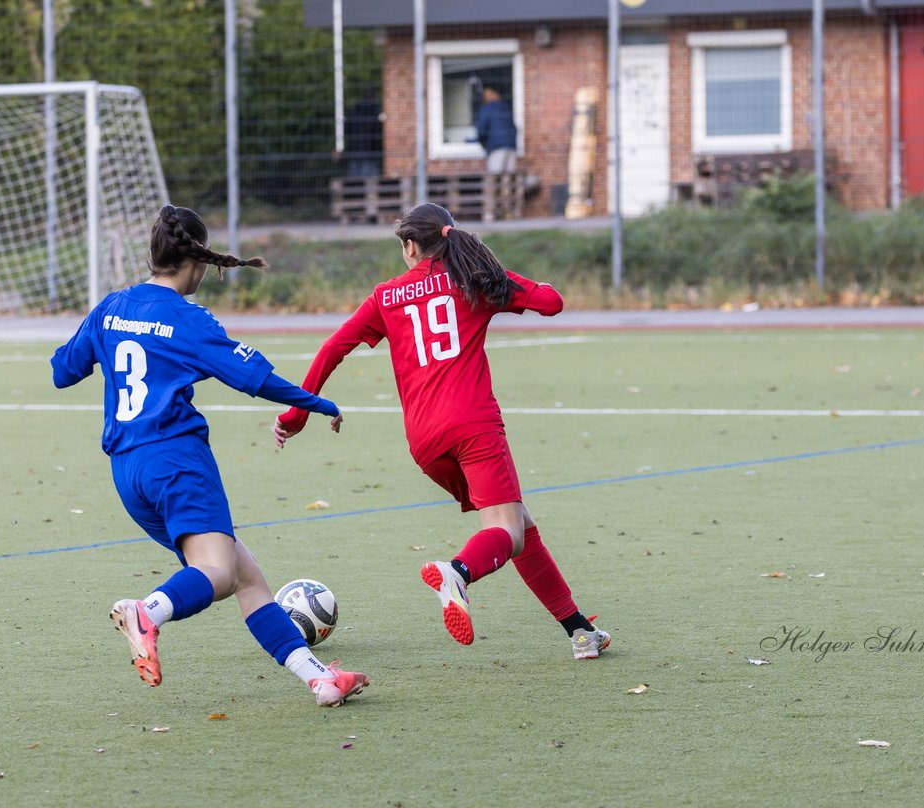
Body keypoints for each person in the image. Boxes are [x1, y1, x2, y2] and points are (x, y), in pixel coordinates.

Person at [50, 204, 369, 707]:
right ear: (196, 262)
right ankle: (147, 612)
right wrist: (317, 402)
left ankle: (320, 679)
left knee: (246, 576)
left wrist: (103, 333)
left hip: (128, 472)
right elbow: (253, 377)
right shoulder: (188, 319)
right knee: (218, 574)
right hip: (176, 461)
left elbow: (62, 371)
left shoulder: (111, 306)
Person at [273, 203, 610, 661]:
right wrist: (496, 272)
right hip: (473, 426)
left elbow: (333, 348)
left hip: (425, 442)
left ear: (411, 245)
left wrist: (296, 417)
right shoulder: (473, 280)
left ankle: (580, 631)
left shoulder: (386, 295)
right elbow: (551, 302)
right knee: (507, 534)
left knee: (519, 525)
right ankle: (457, 572)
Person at [340, 89, 384, 179]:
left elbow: (346, 131)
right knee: (370, 182)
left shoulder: (352, 111)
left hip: (354, 153)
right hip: (370, 154)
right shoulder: (375, 112)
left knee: (355, 183)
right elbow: (379, 132)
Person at [474, 85, 518, 174]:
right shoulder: (506, 108)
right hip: (511, 148)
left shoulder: (486, 109)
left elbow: (481, 131)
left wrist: (484, 145)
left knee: (493, 179)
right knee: (508, 181)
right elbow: (514, 129)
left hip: (496, 149)